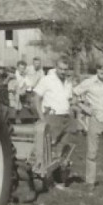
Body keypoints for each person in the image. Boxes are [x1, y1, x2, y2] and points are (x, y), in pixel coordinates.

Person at [32, 57, 75, 189]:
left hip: (66, 117)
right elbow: (36, 98)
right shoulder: (47, 80)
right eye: (60, 69)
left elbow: (70, 100)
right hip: (52, 117)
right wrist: (42, 118)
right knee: (48, 149)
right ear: (56, 67)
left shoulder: (68, 82)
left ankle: (60, 180)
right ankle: (46, 180)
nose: (63, 71)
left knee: (63, 149)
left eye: (65, 69)